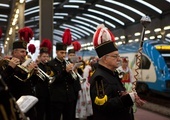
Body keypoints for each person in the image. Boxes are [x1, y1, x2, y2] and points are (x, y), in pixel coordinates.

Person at [90, 24, 145, 120]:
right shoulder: (100, 79)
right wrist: (128, 99)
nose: (119, 59)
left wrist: (126, 94)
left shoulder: (111, 73)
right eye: (115, 56)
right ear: (105, 59)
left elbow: (115, 94)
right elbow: (103, 106)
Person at [0, 40, 38, 120]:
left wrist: (34, 74)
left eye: (25, 52)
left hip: (29, 103)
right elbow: (7, 82)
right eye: (22, 52)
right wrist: (10, 68)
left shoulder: (25, 64)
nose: (24, 54)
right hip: (16, 103)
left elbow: (31, 84)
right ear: (14, 52)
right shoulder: (6, 64)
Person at [48, 42, 79, 120]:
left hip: (69, 97)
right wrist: (65, 71)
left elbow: (72, 80)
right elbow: (53, 80)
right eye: (61, 53)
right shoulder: (50, 64)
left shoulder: (67, 63)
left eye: (65, 53)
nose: (64, 55)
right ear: (56, 52)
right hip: (57, 97)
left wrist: (74, 73)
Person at [35, 39, 52, 120]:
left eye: (47, 56)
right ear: (40, 57)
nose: (46, 58)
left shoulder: (49, 66)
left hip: (49, 93)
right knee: (40, 113)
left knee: (49, 113)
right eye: (44, 56)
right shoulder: (37, 66)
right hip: (41, 93)